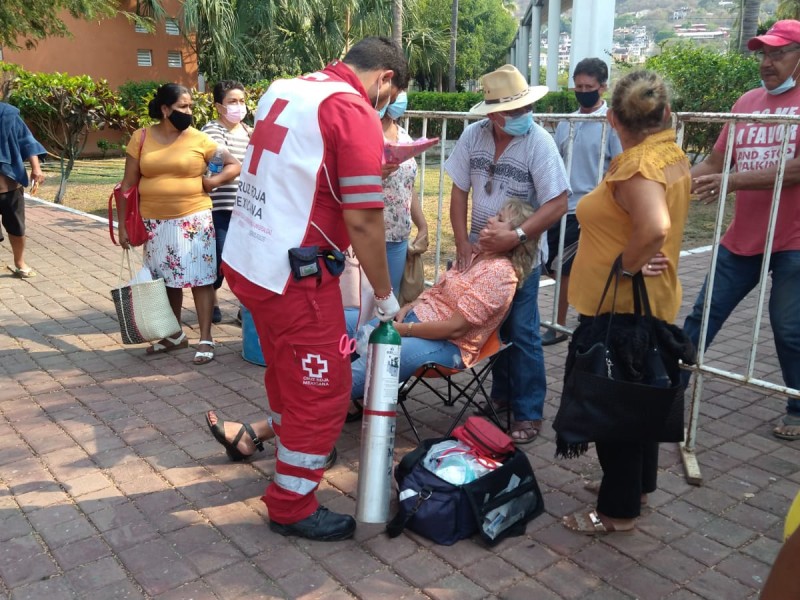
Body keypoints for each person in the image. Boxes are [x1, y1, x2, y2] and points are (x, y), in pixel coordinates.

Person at [219, 36, 409, 542]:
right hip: (295, 276)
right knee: (323, 391)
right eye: (389, 94)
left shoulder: (288, 89)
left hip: (251, 260)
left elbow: (301, 170)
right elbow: (366, 222)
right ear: (385, 78)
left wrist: (370, 162)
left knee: (285, 371)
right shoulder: (352, 110)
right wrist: (387, 297)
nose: (384, 104)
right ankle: (291, 503)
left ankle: (295, 451)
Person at [208, 200, 537, 467]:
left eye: (500, 219)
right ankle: (336, 405)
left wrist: (403, 327)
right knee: (337, 327)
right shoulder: (475, 257)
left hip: (447, 345)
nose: (489, 220)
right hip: (414, 323)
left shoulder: (500, 273)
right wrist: (408, 307)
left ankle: (258, 432)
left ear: (516, 236)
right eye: (494, 215)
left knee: (358, 367)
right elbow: (435, 291)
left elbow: (456, 327)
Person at [561, 70, 691, 534]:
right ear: (666, 114)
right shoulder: (668, 154)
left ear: (612, 117)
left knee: (613, 404)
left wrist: (629, 265)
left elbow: (654, 226)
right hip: (644, 302)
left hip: (622, 304)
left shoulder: (639, 167)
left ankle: (616, 512)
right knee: (637, 398)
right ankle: (635, 487)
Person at [684, 20, 800, 441]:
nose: (767, 63)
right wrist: (668, 186)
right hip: (743, 235)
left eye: (778, 53)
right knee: (703, 313)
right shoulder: (746, 102)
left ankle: (797, 405)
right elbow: (715, 164)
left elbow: (797, 169)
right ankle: (670, 392)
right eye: (763, 54)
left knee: (788, 328)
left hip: (794, 239)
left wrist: (732, 181)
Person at [445, 64, 569, 444]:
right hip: (482, 253)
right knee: (490, 327)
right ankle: (501, 398)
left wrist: (515, 235)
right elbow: (458, 192)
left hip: (520, 257)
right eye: (514, 111)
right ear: (494, 114)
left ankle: (529, 410)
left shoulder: (539, 143)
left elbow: (559, 203)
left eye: (524, 108)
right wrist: (463, 242)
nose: (523, 116)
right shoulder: (472, 137)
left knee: (523, 331)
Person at [118, 83, 241, 365]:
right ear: (164, 109)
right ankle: (173, 335)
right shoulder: (142, 137)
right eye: (182, 107)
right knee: (165, 280)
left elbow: (234, 165)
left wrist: (212, 181)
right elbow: (127, 185)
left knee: (201, 279)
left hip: (194, 219)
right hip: (155, 223)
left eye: (190, 107)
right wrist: (124, 226)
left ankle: (206, 337)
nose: (189, 112)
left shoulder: (199, 139)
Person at [543, 58, 623, 346]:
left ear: (603, 87)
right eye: (578, 86)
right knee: (552, 265)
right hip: (562, 204)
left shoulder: (611, 123)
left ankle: (558, 324)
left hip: (591, 208)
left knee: (564, 267)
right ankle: (588, 310)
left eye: (589, 87)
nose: (583, 91)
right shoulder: (567, 122)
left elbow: (618, 164)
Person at [201, 80, 252, 324]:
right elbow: (219, 163)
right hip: (219, 209)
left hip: (247, 210)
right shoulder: (211, 131)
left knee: (246, 259)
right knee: (219, 257)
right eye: (232, 101)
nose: (238, 106)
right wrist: (230, 172)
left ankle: (246, 307)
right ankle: (212, 301)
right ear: (219, 106)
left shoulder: (250, 132)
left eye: (241, 101)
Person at [380, 91, 429, 295]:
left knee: (392, 297)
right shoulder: (365, 134)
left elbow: (407, 185)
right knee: (370, 301)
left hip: (398, 236)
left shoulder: (402, 135)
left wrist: (422, 225)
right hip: (372, 235)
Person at [0, 101, 46, 278]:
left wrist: (36, 168)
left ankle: (19, 261)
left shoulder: (9, 115)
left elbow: (26, 141)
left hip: (10, 183)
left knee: (17, 229)